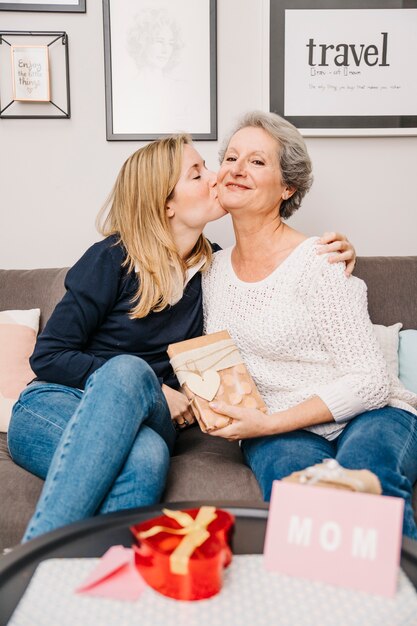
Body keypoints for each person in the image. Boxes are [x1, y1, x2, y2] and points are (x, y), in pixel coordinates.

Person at [7, 132, 355, 543]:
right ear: (166, 203)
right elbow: (48, 355)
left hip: (151, 414)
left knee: (134, 386)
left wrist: (334, 255)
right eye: (197, 173)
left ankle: (37, 564)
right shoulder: (111, 259)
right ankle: (85, 574)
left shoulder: (218, 266)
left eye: (207, 166)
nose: (215, 176)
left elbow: (275, 278)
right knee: (146, 454)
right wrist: (154, 384)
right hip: (54, 406)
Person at [203, 111, 417, 538]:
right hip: (278, 431)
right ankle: (320, 603)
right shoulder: (208, 269)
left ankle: (401, 603)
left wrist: (269, 424)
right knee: (303, 502)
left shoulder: (320, 260)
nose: (238, 169)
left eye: (257, 162)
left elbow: (371, 383)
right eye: (231, 157)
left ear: (287, 187)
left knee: (368, 482)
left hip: (371, 414)